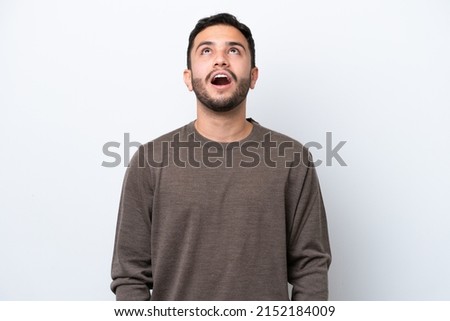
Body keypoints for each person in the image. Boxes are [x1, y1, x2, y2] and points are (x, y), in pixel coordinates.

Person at [111, 13, 331, 301]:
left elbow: (311, 267)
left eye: (233, 50)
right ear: (188, 78)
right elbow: (130, 274)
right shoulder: (150, 161)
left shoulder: (292, 159)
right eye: (206, 50)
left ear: (253, 76)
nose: (220, 60)